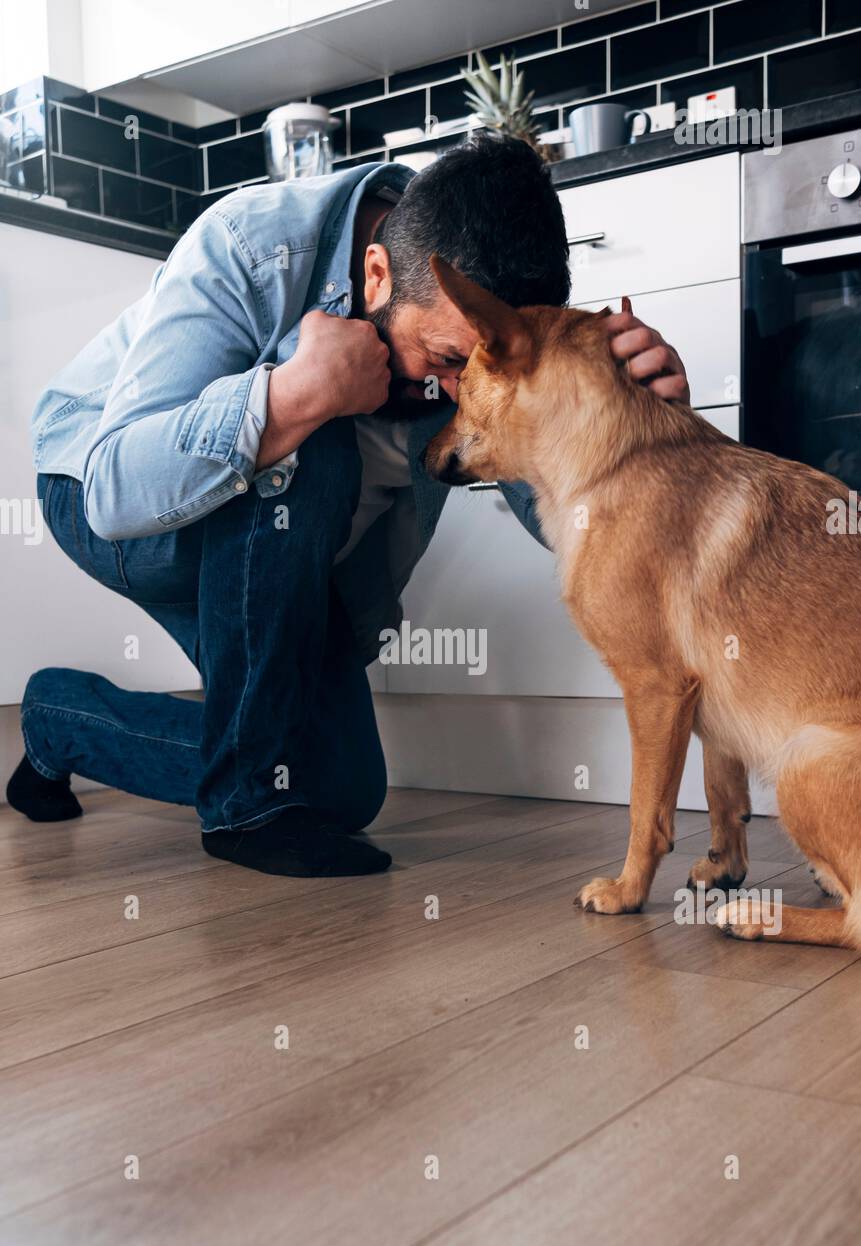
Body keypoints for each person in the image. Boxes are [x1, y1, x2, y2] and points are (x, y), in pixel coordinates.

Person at [7, 134, 690, 877]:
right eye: (452, 362)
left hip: (280, 555)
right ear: (375, 275)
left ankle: (59, 721)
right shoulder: (248, 243)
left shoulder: (472, 329)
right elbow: (113, 488)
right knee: (315, 445)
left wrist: (630, 433)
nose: (470, 396)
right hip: (96, 492)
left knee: (337, 787)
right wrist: (293, 395)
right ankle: (242, 808)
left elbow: (553, 511)